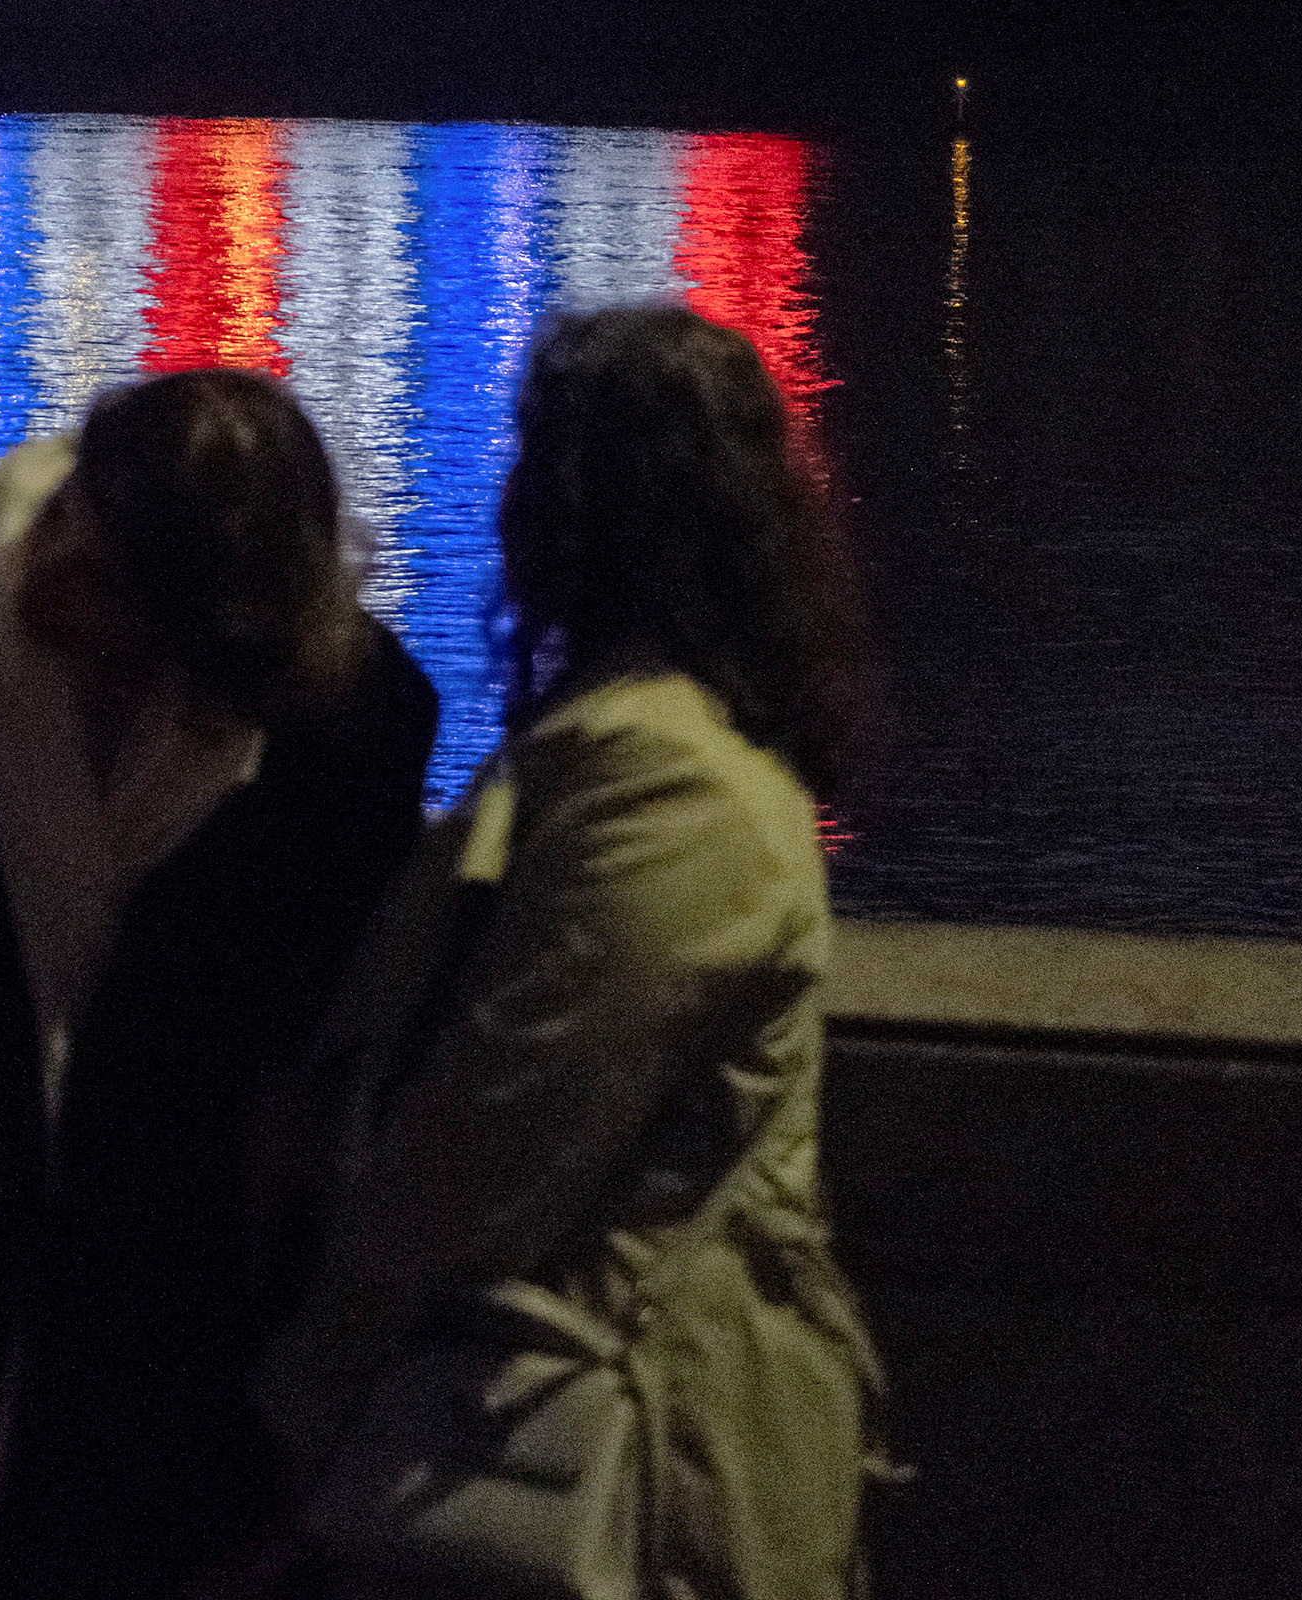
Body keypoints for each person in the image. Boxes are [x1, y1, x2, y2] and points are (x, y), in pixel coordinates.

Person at [0, 366, 442, 1600]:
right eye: (72, 511)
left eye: (106, 573)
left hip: (147, 1307)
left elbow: (300, 1041)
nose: (50, 563)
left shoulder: (348, 736)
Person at [252, 304, 886, 1600]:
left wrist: (295, 1396)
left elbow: (497, 1133)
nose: (507, 511)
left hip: (620, 1466)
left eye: (536, 468)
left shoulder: (666, 788)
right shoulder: (660, 755)